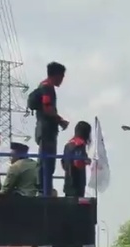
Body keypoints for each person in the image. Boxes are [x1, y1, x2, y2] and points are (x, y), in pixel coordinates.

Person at [30, 61, 69, 194]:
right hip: (47, 130)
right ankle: (44, 190)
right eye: (62, 76)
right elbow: (47, 108)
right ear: (57, 75)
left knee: (45, 161)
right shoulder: (47, 87)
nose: (62, 80)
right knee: (47, 162)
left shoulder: (43, 86)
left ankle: (44, 188)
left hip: (43, 129)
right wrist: (60, 121)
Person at [62, 121, 91, 197]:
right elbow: (78, 162)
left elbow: (63, 163)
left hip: (68, 181)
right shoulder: (80, 144)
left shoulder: (68, 145)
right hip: (77, 182)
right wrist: (86, 161)